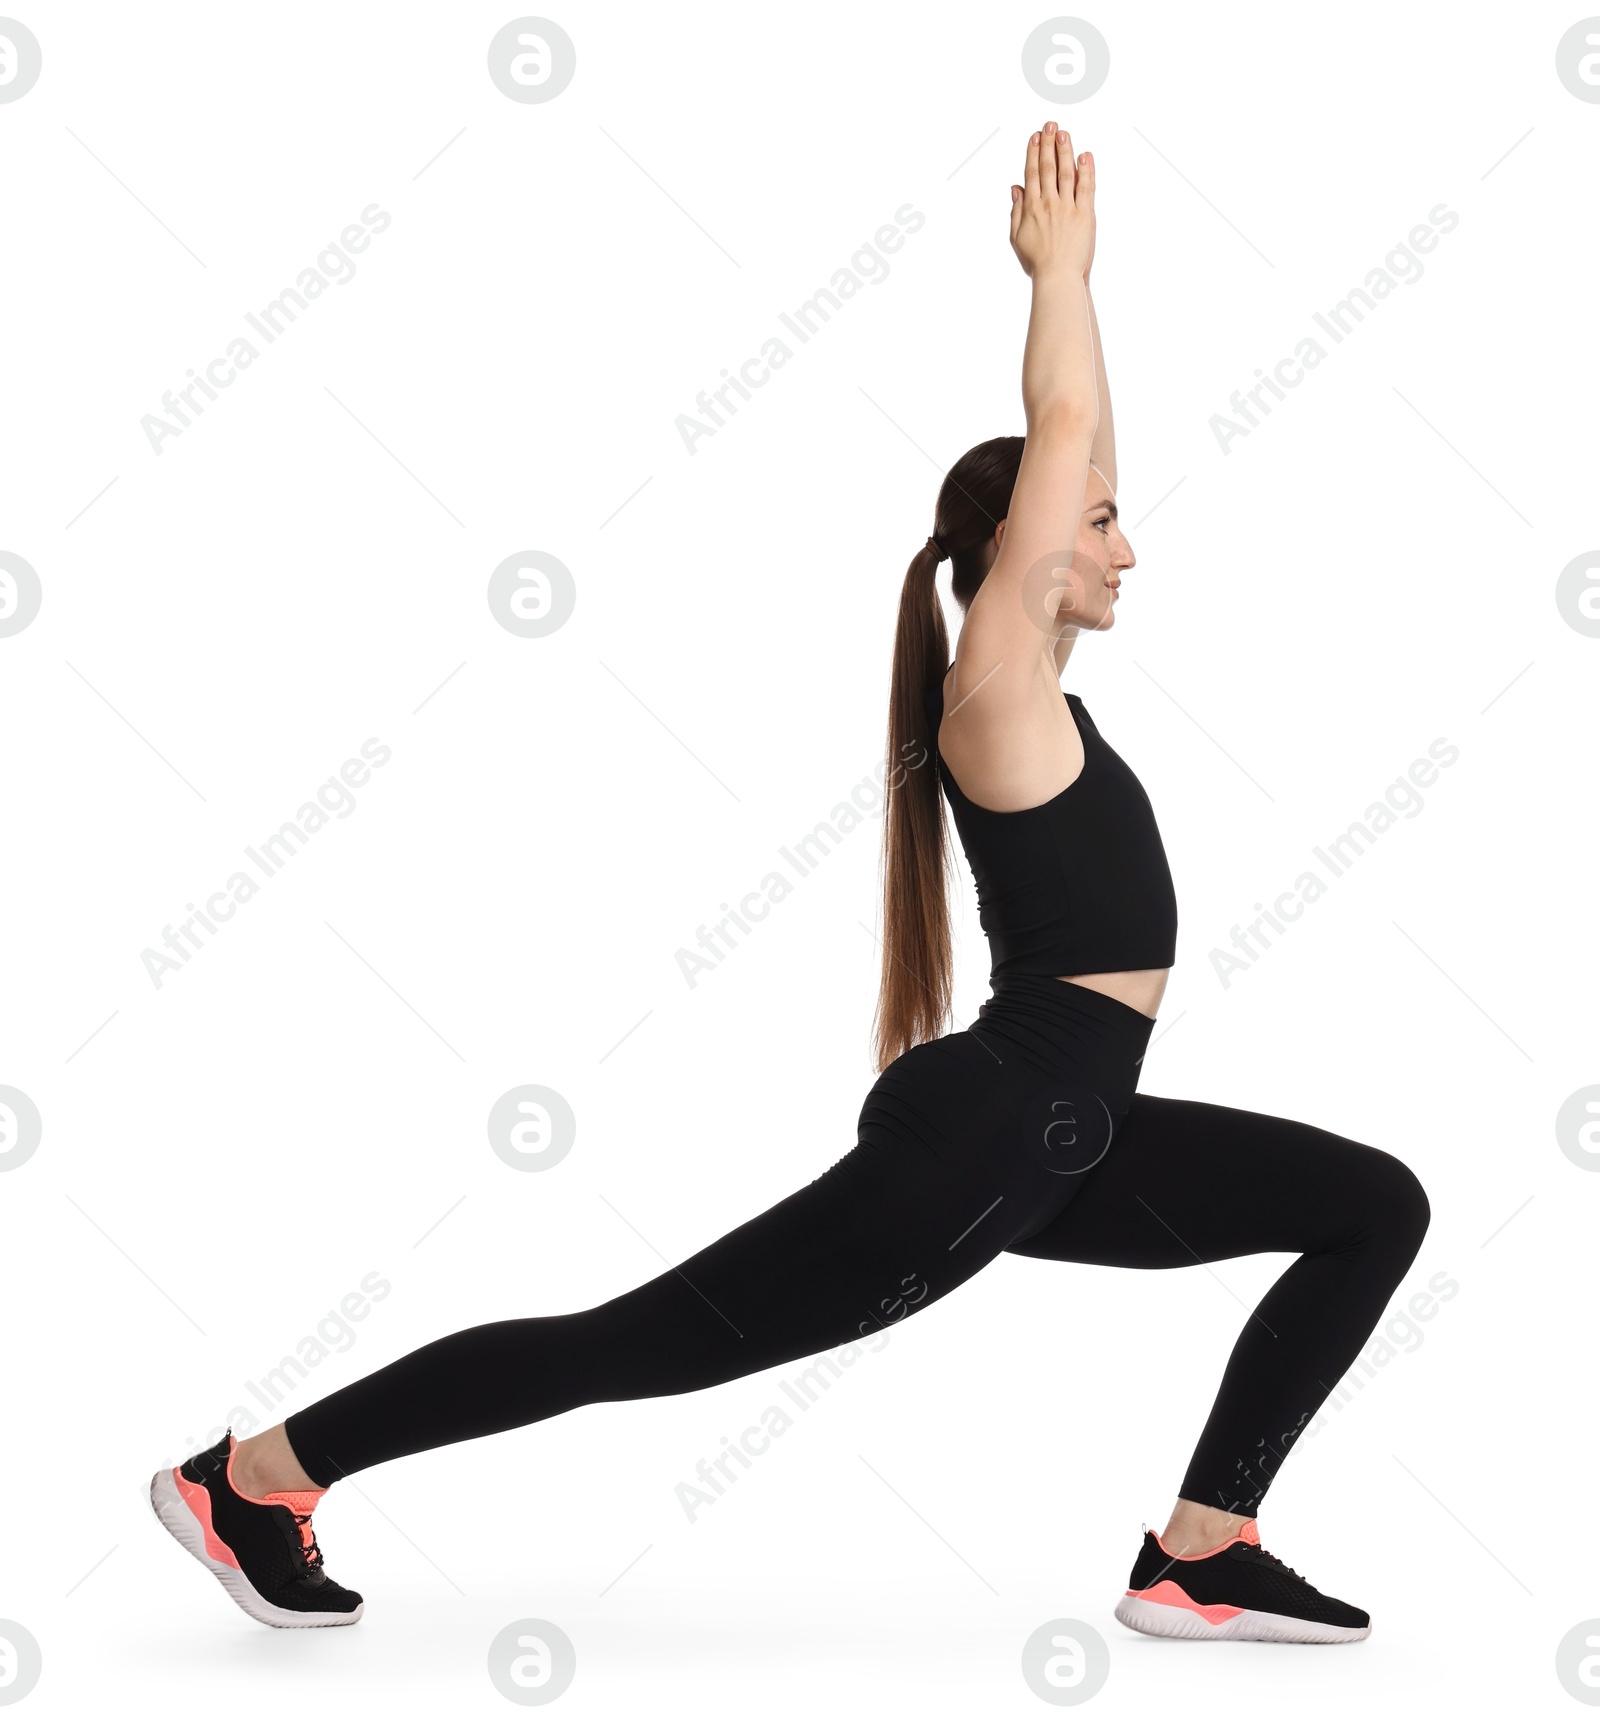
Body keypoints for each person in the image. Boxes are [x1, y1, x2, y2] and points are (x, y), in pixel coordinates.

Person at [151, 121, 1429, 1645]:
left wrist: (1078, 373)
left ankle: (1203, 1546)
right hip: (997, 1130)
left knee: (1370, 1206)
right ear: (1019, 548)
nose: (1126, 544)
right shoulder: (995, 689)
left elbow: (1084, 447)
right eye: (1096, 520)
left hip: (1062, 1134)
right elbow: (1066, 418)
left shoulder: (1045, 693)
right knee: (628, 1349)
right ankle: (255, 1476)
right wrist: (1067, 274)